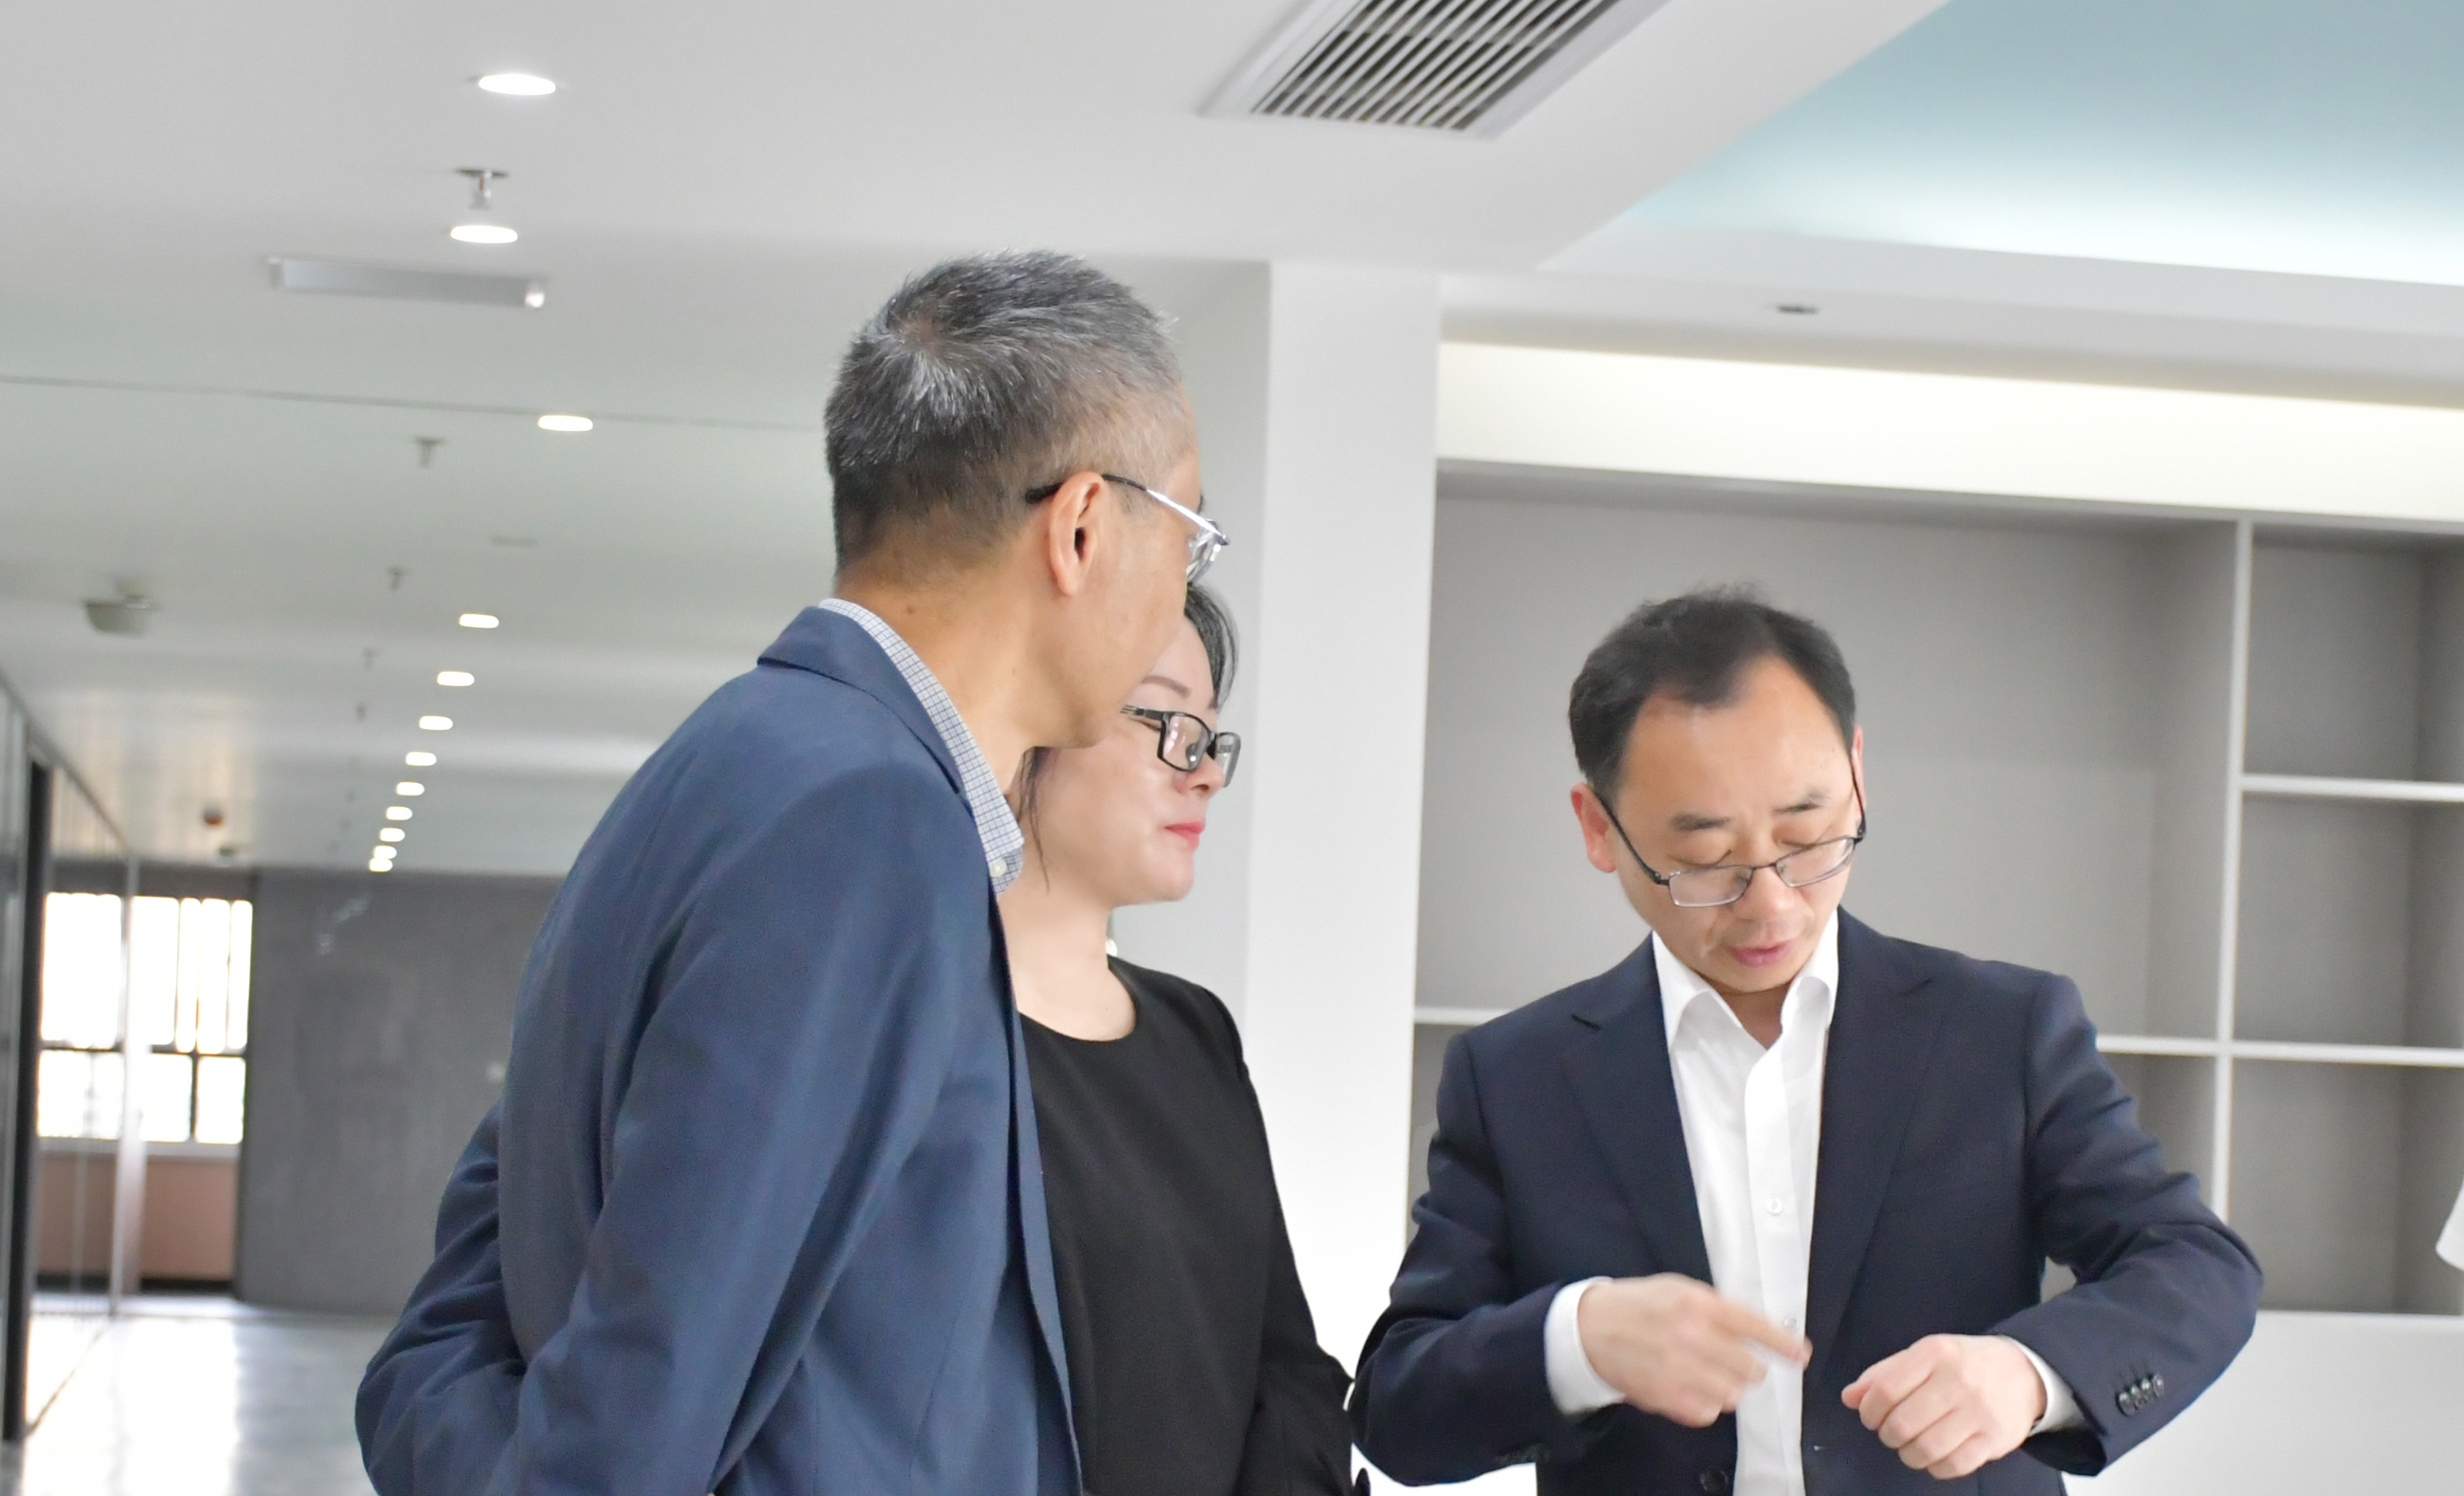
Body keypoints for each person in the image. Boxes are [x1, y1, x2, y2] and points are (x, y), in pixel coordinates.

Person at [356, 250, 1223, 1496]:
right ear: (1082, 525)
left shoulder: (725, 765)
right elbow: (641, 1408)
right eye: (1190, 536)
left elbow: (461, 1329)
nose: (1180, 591)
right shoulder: (869, 825)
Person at [1350, 589, 2261, 1495]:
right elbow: (1398, 1409)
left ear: (1857, 775)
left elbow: (2193, 1263)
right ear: (1599, 828)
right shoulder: (1517, 1077)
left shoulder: (2001, 1032)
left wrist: (2030, 1376)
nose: (1771, 904)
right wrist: (1576, 1343)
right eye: (1706, 860)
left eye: (1809, 837)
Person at [1001, 584, 1354, 1496]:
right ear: (1027, 719)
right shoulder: (922, 1033)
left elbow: (1284, 1365)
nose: (1202, 774)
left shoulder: (1196, 1033)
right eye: (1165, 722)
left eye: (1208, 737)